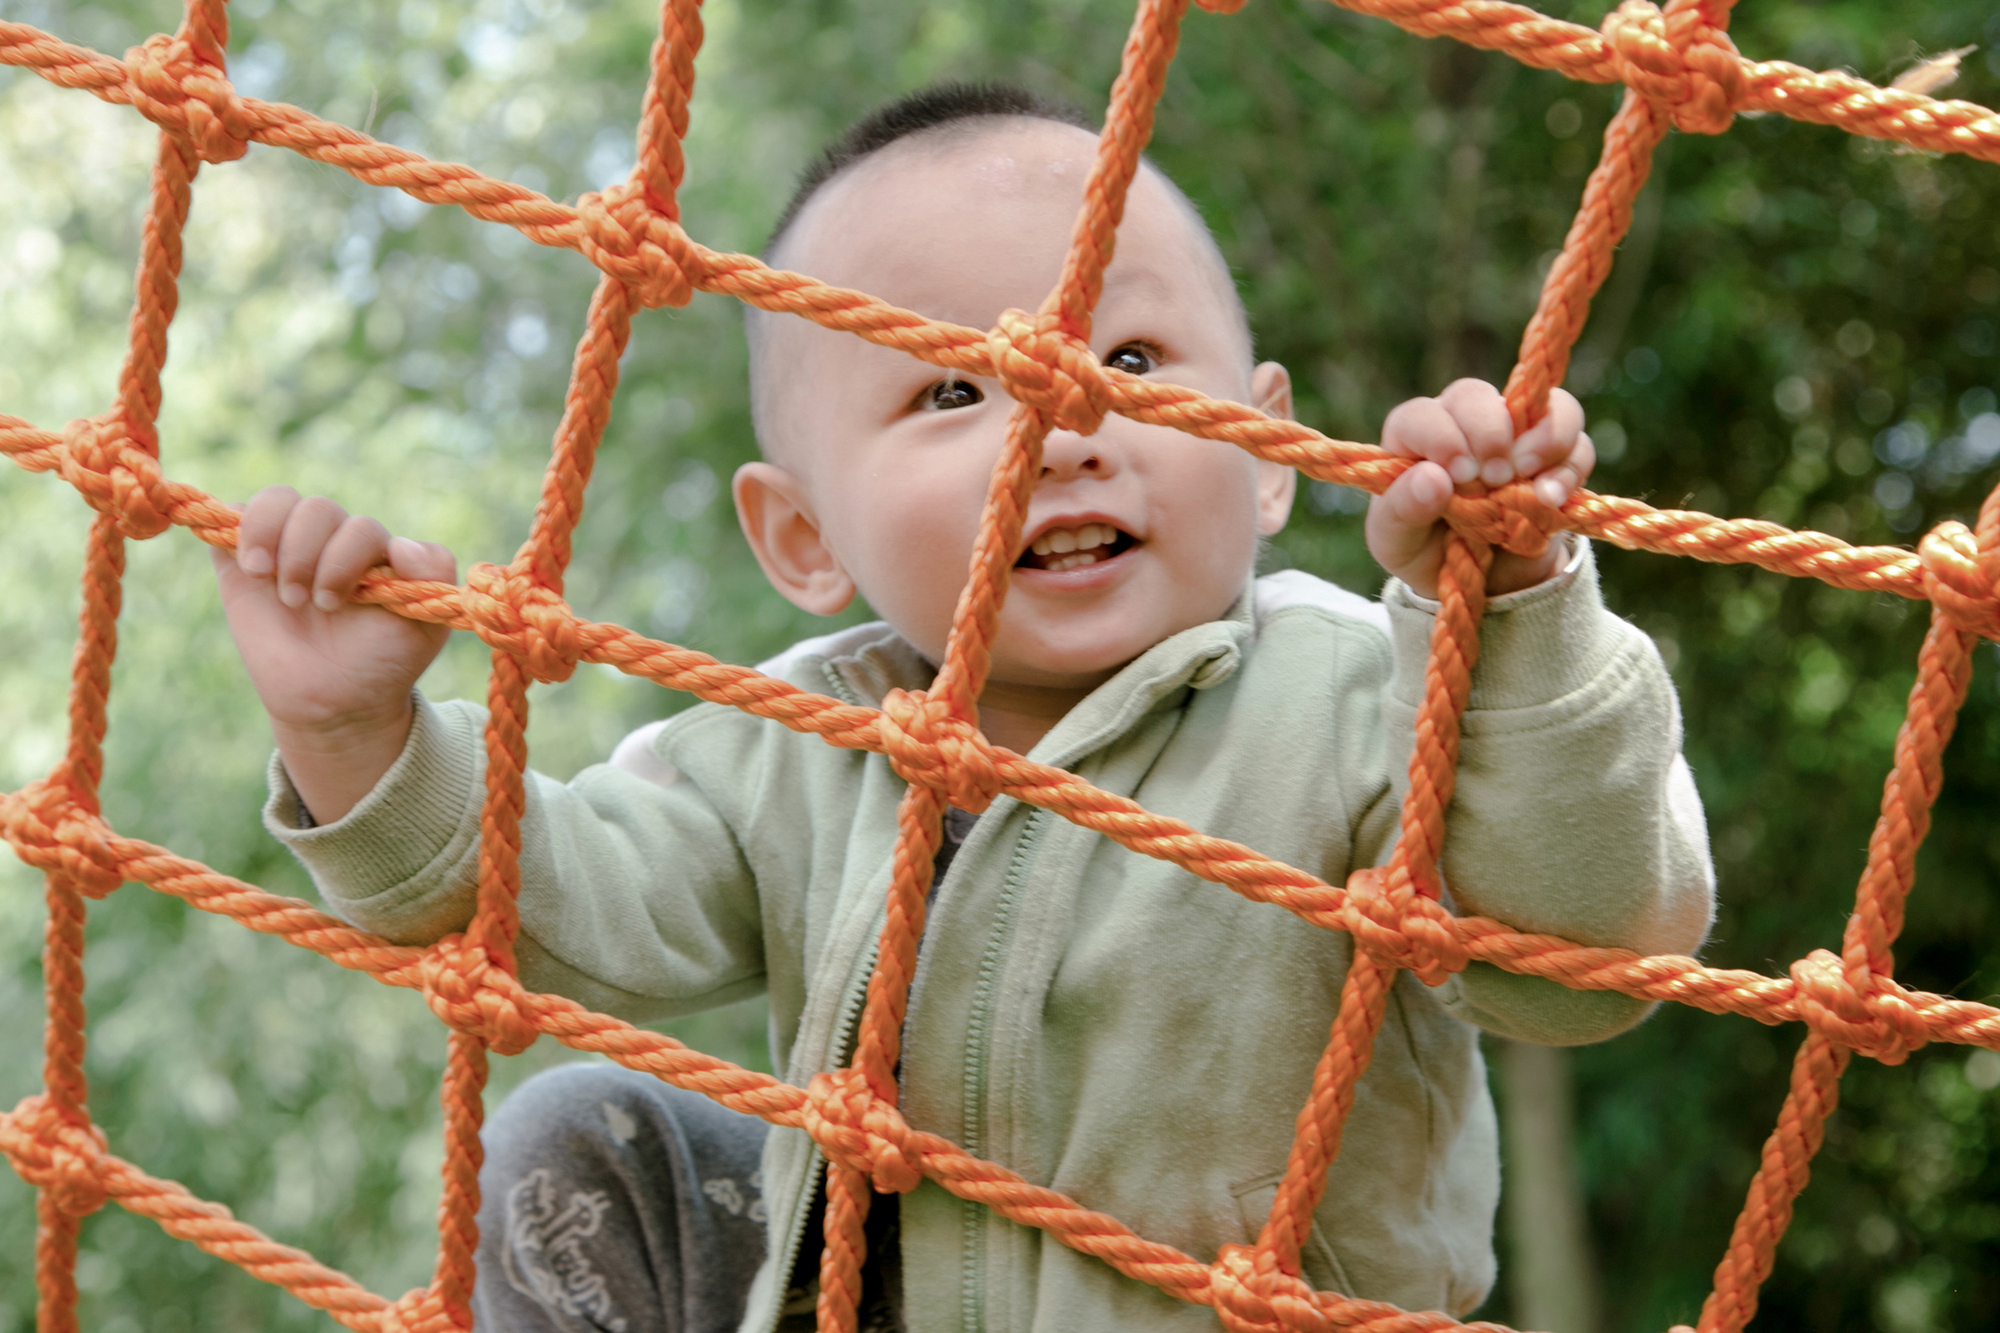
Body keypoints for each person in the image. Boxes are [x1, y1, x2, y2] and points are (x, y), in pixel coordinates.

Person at [213, 83, 1713, 1333]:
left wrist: (1507, 617)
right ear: (802, 539)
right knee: (583, 1136)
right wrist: (358, 741)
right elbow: (548, 900)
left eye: (1130, 362)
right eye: (952, 391)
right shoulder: (792, 739)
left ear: (1264, 449)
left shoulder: (1356, 688)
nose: (1064, 423)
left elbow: (1579, 959)